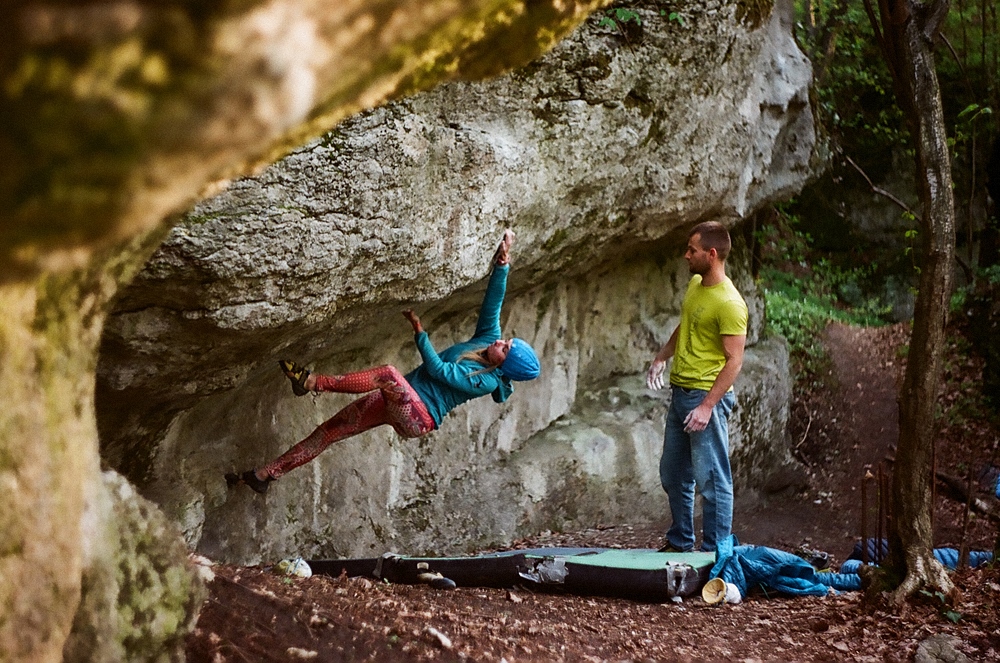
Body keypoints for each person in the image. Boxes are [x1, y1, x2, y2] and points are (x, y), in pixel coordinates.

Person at [227, 229, 540, 494]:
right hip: (403, 400)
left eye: (506, 348)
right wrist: (503, 264)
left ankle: (310, 383)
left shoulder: (486, 381)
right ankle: (265, 475)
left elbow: (439, 371)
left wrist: (420, 333)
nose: (501, 342)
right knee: (329, 431)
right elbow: (493, 303)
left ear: (505, 367)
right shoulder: (488, 340)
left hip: (418, 417)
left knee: (389, 374)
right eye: (507, 339)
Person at [645, 221, 748, 553]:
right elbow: (686, 325)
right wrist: (662, 356)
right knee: (673, 473)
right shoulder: (695, 285)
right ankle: (680, 542)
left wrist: (707, 406)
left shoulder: (730, 304)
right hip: (680, 393)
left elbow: (734, 360)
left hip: (706, 398)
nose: (686, 255)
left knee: (712, 480)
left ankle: (716, 555)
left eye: (693, 250)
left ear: (712, 254)